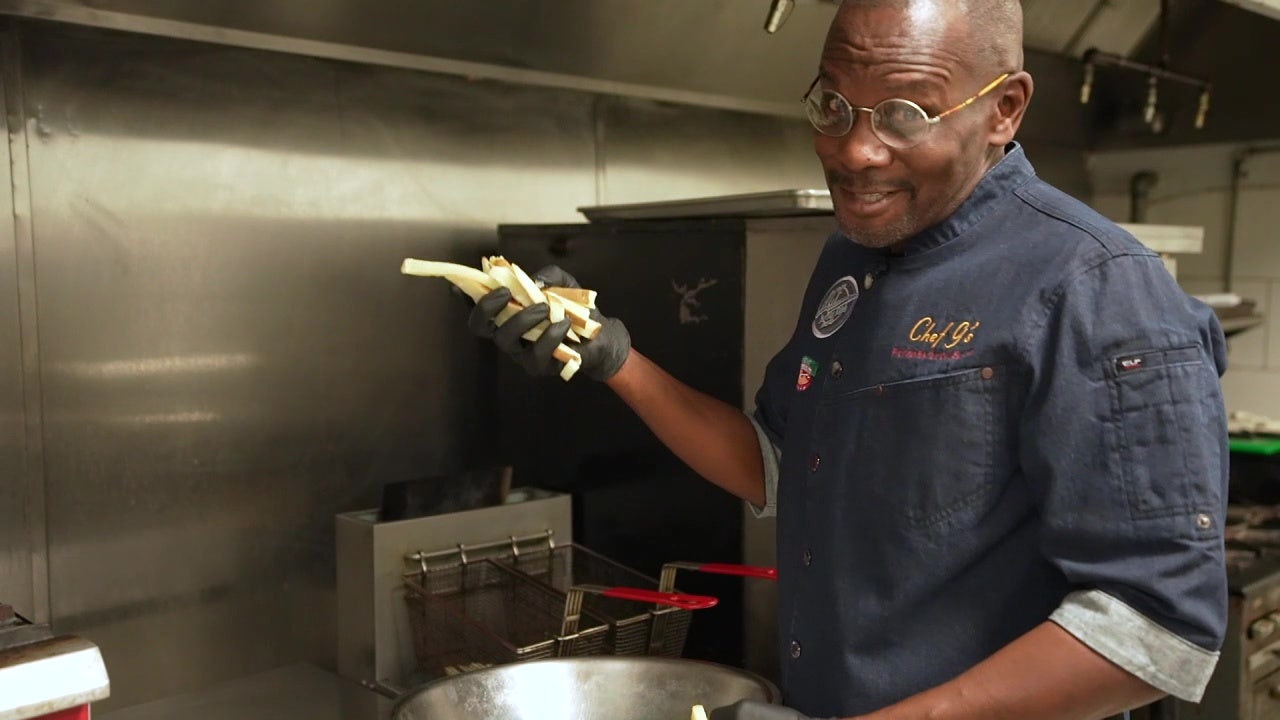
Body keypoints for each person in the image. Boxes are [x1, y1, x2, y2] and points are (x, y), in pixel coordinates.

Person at [461, 0, 1230, 718]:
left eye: (905, 114)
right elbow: (778, 461)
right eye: (833, 105)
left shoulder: (1096, 286)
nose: (855, 150)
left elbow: (1156, 624)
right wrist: (611, 354)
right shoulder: (856, 256)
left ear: (1005, 109)